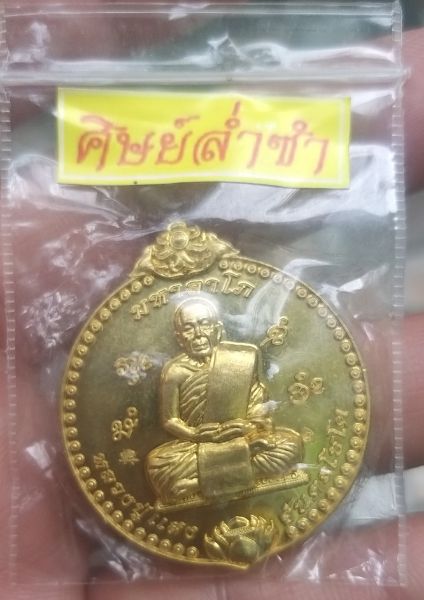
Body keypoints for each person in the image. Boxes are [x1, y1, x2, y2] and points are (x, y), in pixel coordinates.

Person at [146, 298, 303, 504]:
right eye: (189, 328)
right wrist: (194, 434)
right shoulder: (175, 372)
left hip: (242, 439)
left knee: (291, 445)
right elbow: (170, 420)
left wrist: (250, 427)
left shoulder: (239, 359)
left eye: (204, 324)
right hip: (198, 445)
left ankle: (199, 483)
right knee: (158, 465)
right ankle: (241, 472)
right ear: (180, 337)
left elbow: (258, 406)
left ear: (217, 329)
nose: (198, 334)